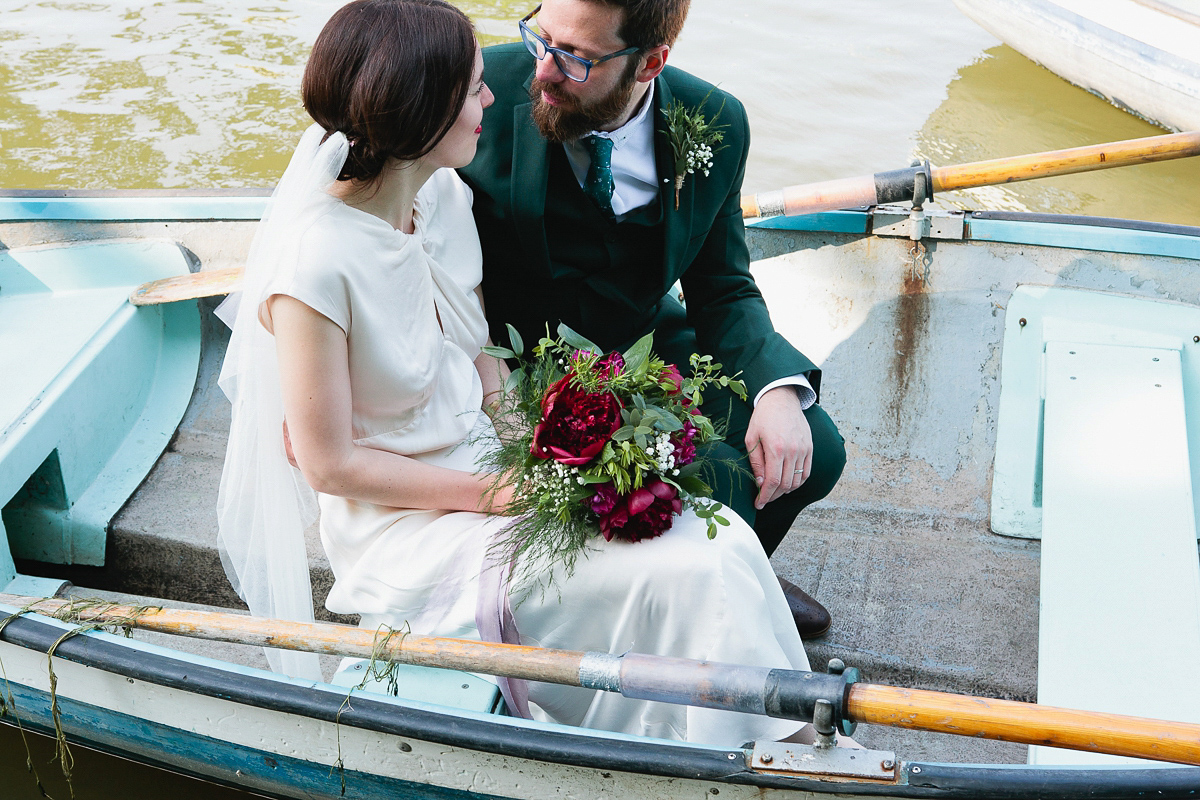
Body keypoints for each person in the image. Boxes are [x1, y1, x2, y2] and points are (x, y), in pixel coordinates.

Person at [217, 0, 813, 747]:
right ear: (425, 113)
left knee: (721, 540)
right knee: (690, 574)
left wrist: (521, 444)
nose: (500, 95)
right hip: (409, 522)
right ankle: (753, 751)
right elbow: (331, 464)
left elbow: (479, 351)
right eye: (474, 90)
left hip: (490, 457)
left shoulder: (441, 197)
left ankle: (777, 733)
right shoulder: (314, 265)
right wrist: (495, 495)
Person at [458, 0, 845, 637]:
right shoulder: (480, 89)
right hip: (509, 359)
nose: (544, 72)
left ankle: (738, 573)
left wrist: (776, 390)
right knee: (683, 476)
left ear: (651, 64)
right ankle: (691, 593)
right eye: (541, 37)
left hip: (637, 339)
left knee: (815, 450)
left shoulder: (715, 120)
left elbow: (722, 286)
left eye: (576, 59)